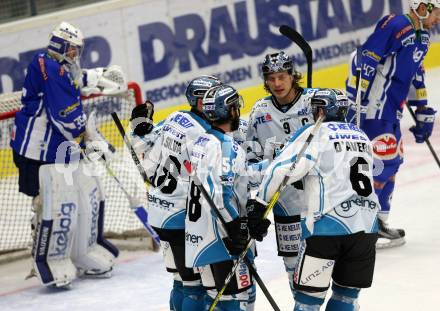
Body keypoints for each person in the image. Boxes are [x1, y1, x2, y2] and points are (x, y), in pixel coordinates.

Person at [10, 21, 119, 288]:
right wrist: (90, 137)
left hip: (54, 146)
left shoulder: (53, 63)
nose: (75, 54)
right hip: (36, 150)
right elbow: (64, 114)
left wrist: (95, 79)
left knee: (72, 196)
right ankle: (46, 259)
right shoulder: (49, 67)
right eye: (72, 49)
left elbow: (72, 80)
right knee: (48, 202)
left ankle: (81, 251)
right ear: (60, 45)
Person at [248, 88, 379, 310]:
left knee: (308, 301)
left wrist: (259, 207)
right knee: (346, 297)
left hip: (326, 229)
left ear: (319, 110)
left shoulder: (315, 132)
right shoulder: (362, 136)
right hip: (367, 228)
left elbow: (280, 170)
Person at [345, 0, 440, 247]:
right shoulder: (396, 24)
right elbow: (366, 57)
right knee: (382, 165)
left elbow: (416, 74)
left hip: (392, 110)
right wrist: (358, 101)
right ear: (424, 7)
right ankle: (364, 227)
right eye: (438, 13)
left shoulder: (423, 38)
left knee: (393, 164)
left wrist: (422, 109)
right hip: (375, 109)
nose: (439, 19)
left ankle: (378, 224)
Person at [132, 75, 222, 311]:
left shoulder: (176, 118)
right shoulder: (205, 134)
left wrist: (139, 124)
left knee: (181, 281)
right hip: (181, 217)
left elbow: (141, 143)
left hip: (160, 213)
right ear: (201, 101)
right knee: (195, 288)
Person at [245, 51, 315, 295]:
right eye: (271, 78)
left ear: (292, 76)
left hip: (320, 201)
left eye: (282, 77)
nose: (277, 84)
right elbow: (250, 160)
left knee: (326, 264)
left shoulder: (315, 104)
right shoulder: (259, 112)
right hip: (284, 203)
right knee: (293, 267)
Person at [185, 84, 253, 311]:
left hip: (199, 235)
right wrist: (236, 227)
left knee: (215, 300)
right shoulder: (227, 147)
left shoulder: (201, 142)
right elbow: (221, 195)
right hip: (222, 239)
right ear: (232, 111)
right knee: (234, 303)